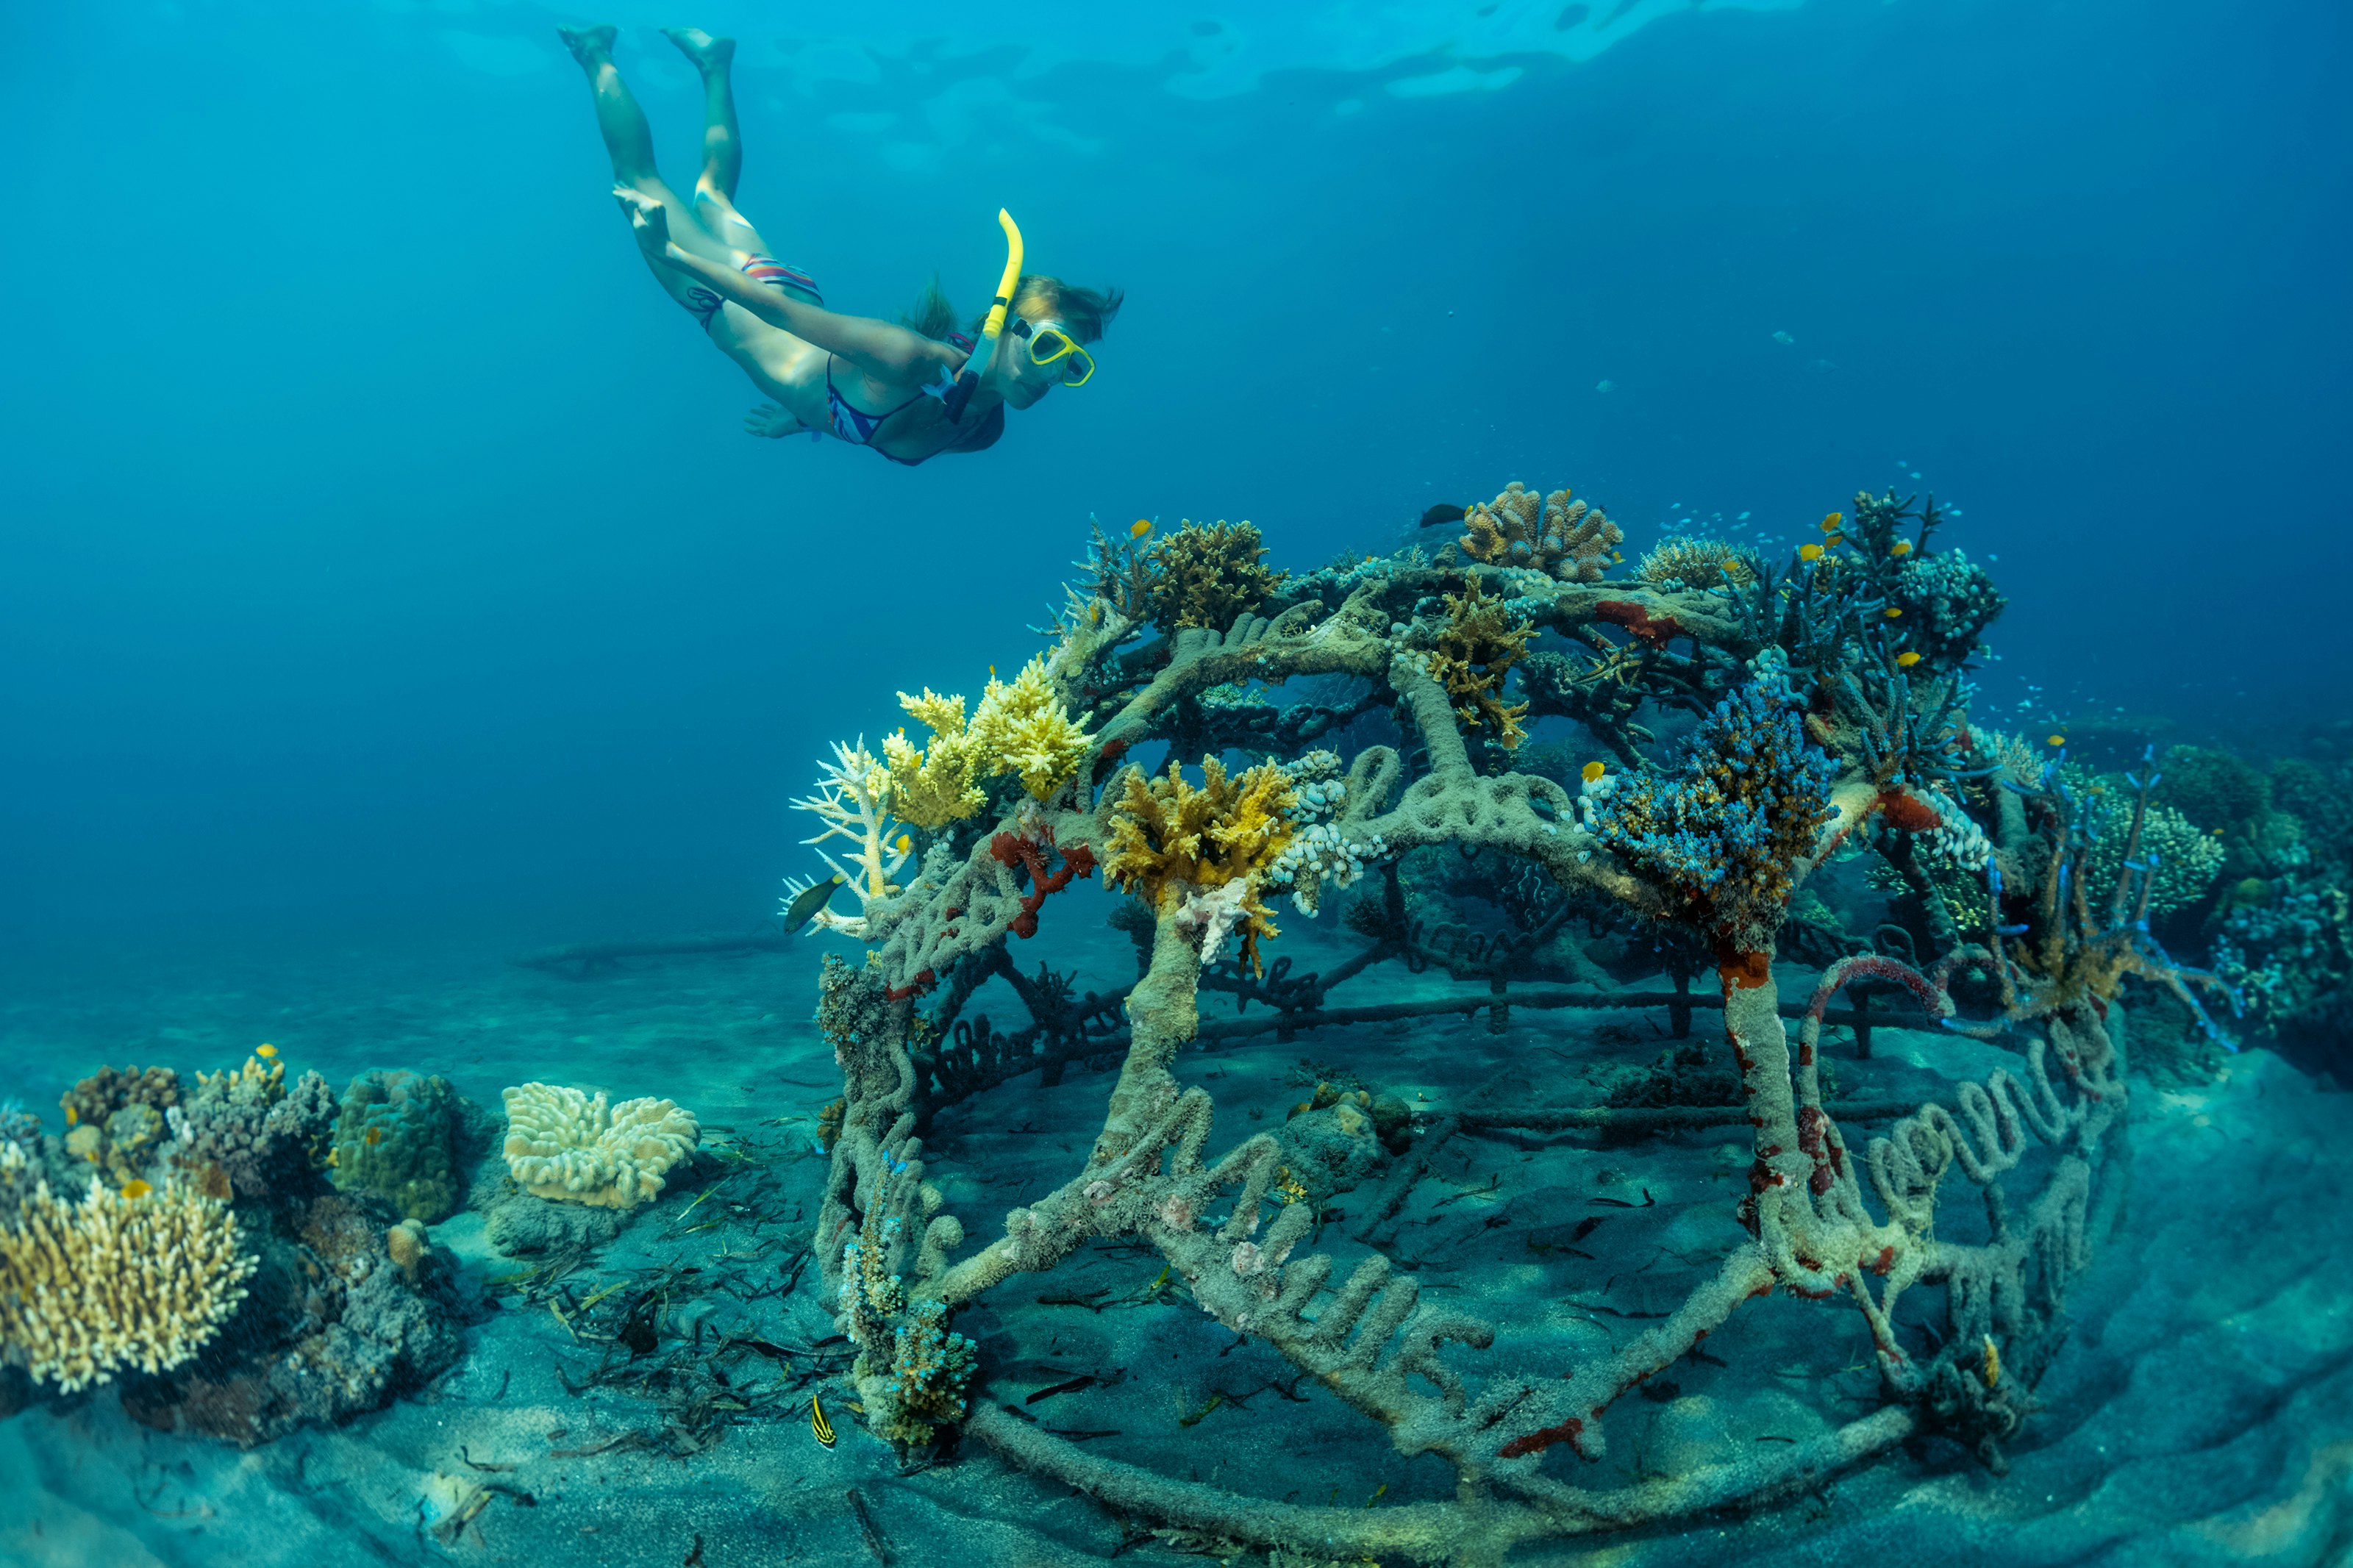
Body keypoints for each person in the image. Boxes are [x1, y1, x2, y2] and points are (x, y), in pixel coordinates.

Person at [557, 26, 1121, 465]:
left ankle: (713, 64)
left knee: (713, 197)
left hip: (784, 307)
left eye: (1073, 367)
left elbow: (852, 399)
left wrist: (805, 417)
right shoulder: (912, 359)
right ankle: (595, 51)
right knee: (640, 179)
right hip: (736, 303)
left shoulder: (985, 429)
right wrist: (670, 254)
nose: (1052, 376)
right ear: (1008, 326)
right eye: (1048, 349)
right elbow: (776, 311)